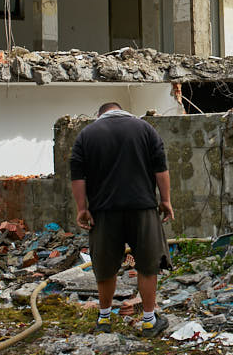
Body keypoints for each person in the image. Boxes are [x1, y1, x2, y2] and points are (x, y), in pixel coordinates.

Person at [70, 102, 174, 336]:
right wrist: (165, 200)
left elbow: (77, 175)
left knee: (105, 267)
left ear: (100, 115)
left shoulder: (87, 135)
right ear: (121, 110)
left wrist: (81, 208)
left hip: (104, 212)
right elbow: (161, 168)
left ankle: (104, 320)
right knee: (148, 265)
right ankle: (149, 321)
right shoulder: (145, 129)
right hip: (143, 209)